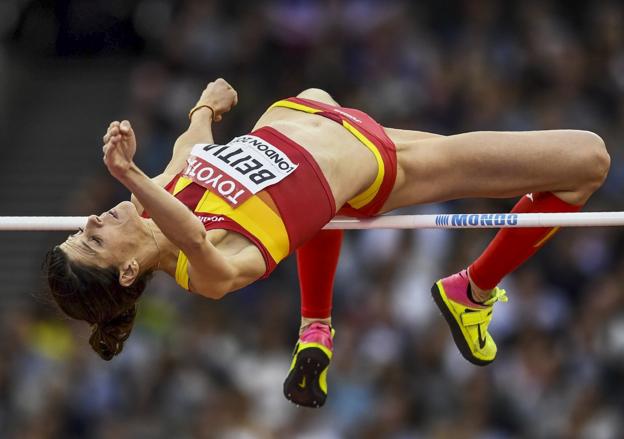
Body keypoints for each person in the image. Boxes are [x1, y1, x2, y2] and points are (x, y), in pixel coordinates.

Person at [44, 78, 610, 409]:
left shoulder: (153, 200)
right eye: (93, 239)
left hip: (318, 114)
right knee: (587, 161)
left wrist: (205, 107)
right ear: (125, 273)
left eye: (82, 226)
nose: (94, 220)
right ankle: (472, 290)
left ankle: (316, 327)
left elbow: (191, 150)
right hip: (381, 165)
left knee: (317, 216)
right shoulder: (206, 272)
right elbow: (192, 234)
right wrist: (128, 175)